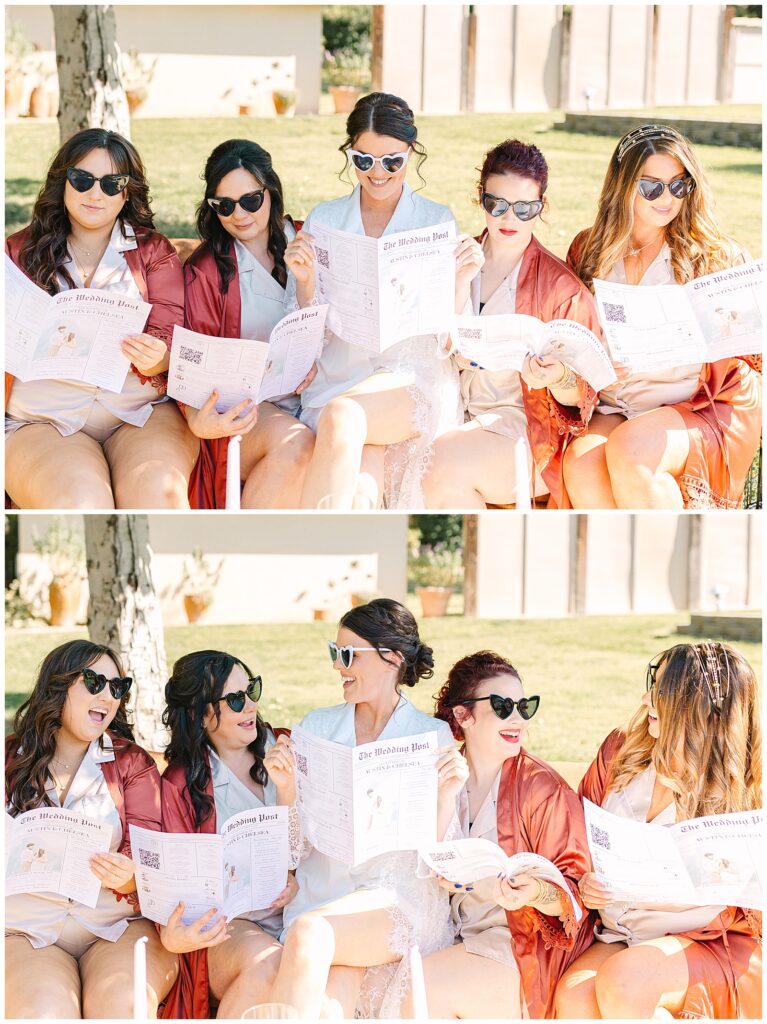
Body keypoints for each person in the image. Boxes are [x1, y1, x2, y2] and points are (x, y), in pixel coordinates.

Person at [269, 599, 468, 1018]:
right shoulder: (318, 728)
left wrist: (447, 795)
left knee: (310, 934)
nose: (337, 667)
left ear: (390, 658)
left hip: (397, 900)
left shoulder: (431, 737)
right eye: (334, 653)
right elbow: (291, 851)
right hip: (324, 895)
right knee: (329, 1000)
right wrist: (286, 790)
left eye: (347, 655)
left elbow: (442, 865)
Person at [556, 641, 762, 1019]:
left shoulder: (746, 788)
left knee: (626, 980)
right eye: (653, 683)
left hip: (707, 941)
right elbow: (576, 845)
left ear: (696, 708)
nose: (646, 697)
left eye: (661, 691)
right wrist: (585, 882)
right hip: (622, 933)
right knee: (573, 998)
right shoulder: (622, 751)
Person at [565, 123, 761, 509]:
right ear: (622, 187)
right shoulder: (589, 249)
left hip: (701, 402)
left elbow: (752, 350)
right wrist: (596, 364)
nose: (667, 198)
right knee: (579, 464)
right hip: (619, 399)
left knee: (633, 449)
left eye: (679, 184)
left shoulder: (715, 255)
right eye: (652, 186)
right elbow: (572, 331)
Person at [285, 92, 465, 509]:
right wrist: (306, 281)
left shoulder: (436, 221)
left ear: (411, 152)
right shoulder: (325, 219)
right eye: (364, 160)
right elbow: (306, 328)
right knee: (362, 488)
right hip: (342, 373)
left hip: (409, 378)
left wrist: (459, 281)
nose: (377, 172)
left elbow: (450, 333)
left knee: (343, 416)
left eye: (392, 161)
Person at [5, 127, 199, 509]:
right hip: (43, 417)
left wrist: (157, 356)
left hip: (137, 411)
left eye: (112, 183)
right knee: (81, 503)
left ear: (127, 191)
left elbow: (169, 334)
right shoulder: (17, 252)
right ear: (63, 182)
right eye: (82, 180)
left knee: (158, 498)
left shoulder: (151, 251)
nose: (96, 193)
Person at [411, 651, 594, 1019]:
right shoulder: (443, 773)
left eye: (524, 707)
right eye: (502, 705)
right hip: (454, 932)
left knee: (419, 991)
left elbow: (578, 894)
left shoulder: (541, 788)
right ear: (463, 715)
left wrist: (537, 891)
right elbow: (424, 862)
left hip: (517, 943)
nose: (518, 720)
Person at [423, 139, 604, 509]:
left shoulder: (561, 288)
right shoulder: (455, 258)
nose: (509, 219)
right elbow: (436, 345)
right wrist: (459, 282)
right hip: (453, 411)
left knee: (439, 464)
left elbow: (584, 398)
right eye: (497, 205)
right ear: (481, 198)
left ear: (542, 207)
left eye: (525, 209)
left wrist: (555, 378)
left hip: (524, 428)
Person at [5, 640, 179, 1019]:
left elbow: (151, 853)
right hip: (26, 930)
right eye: (94, 681)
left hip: (114, 925)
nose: (107, 695)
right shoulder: (8, 759)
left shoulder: (131, 763)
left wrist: (132, 877)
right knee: (43, 1012)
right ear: (59, 684)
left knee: (121, 1008)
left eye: (117, 687)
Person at [159, 650, 298, 1019]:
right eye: (235, 700)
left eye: (252, 690)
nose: (250, 705)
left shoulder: (284, 746)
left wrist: (287, 792)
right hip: (230, 925)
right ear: (203, 714)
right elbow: (175, 883)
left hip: (299, 910)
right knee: (272, 963)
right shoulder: (182, 784)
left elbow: (318, 843)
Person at [183, 140, 316, 509]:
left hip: (319, 390)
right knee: (297, 443)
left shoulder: (309, 238)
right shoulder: (206, 271)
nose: (239, 214)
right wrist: (197, 418)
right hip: (251, 405)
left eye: (250, 200)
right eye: (224, 205)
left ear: (271, 192)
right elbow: (195, 357)